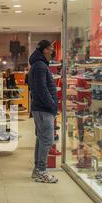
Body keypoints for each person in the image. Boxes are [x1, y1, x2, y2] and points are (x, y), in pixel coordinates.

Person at [28, 40, 59, 184]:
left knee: (41, 139)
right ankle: (41, 171)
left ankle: (37, 170)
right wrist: (52, 104)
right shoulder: (40, 66)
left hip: (40, 108)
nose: (53, 50)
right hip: (43, 108)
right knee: (47, 140)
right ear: (45, 50)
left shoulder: (38, 64)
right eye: (51, 48)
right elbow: (41, 89)